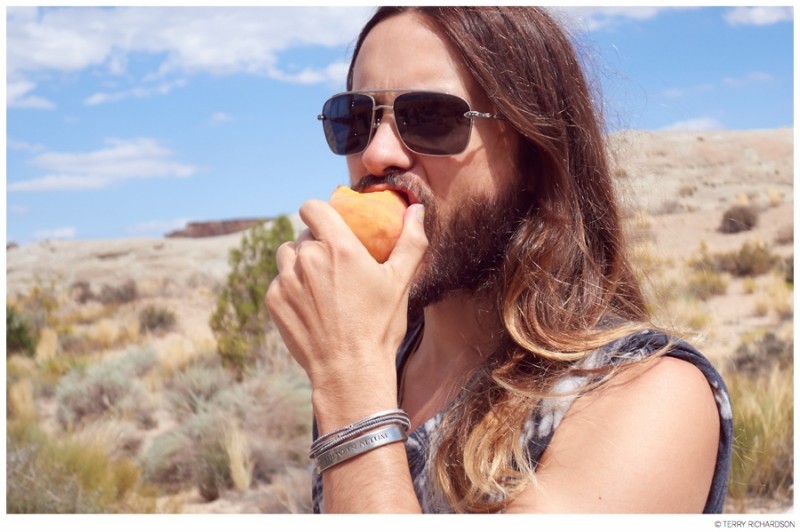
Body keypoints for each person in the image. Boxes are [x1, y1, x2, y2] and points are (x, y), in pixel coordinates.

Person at [265, 6, 733, 514]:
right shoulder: (378, 366)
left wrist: (350, 388)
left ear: (533, 149)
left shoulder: (646, 392)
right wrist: (353, 374)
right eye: (355, 119)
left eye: (428, 117)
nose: (378, 155)